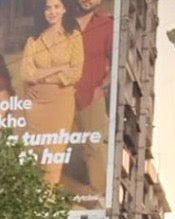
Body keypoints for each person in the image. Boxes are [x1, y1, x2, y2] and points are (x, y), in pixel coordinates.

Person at [21, 0, 84, 185]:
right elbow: (26, 74)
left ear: (64, 9)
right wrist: (58, 69)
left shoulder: (73, 36)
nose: (52, 12)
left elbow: (75, 73)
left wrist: (42, 78)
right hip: (35, 104)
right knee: (37, 153)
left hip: (60, 102)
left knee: (54, 154)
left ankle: (48, 202)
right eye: (48, 8)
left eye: (56, 7)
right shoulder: (33, 40)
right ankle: (35, 201)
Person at [67, 0, 113, 200]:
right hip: (62, 96)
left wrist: (100, 88)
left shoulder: (107, 24)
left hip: (91, 97)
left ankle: (96, 196)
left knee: (94, 147)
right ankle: (50, 191)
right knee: (51, 144)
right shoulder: (65, 21)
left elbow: (115, 61)